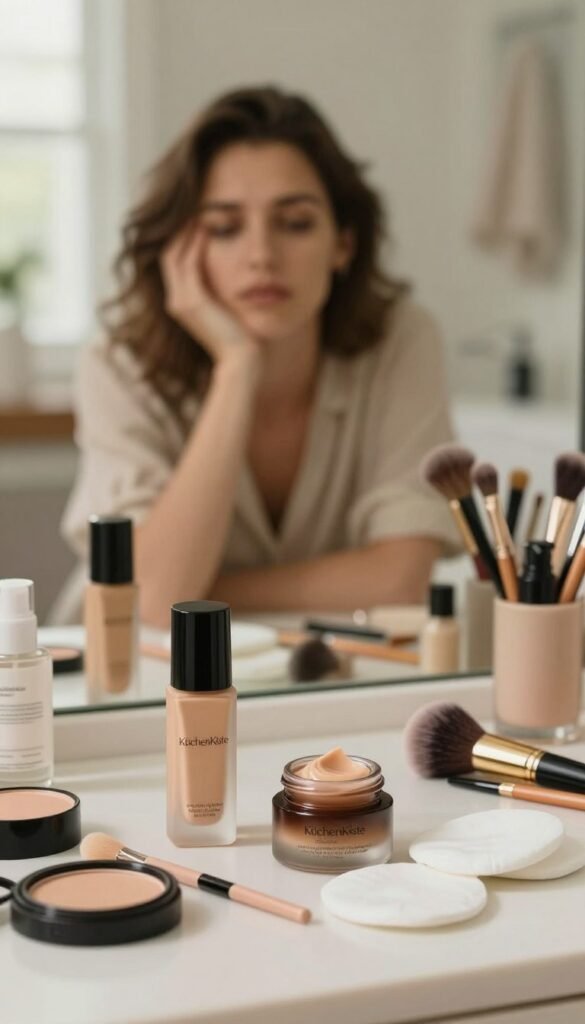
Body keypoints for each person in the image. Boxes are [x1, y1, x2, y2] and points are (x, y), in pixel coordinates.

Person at [59, 85, 458, 628]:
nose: (262, 256)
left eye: (295, 223)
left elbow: (399, 581)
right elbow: (151, 605)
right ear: (179, 252)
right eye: (224, 228)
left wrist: (203, 591)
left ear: (343, 243)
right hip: (130, 676)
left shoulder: (401, 340)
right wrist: (237, 368)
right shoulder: (117, 363)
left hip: (330, 674)